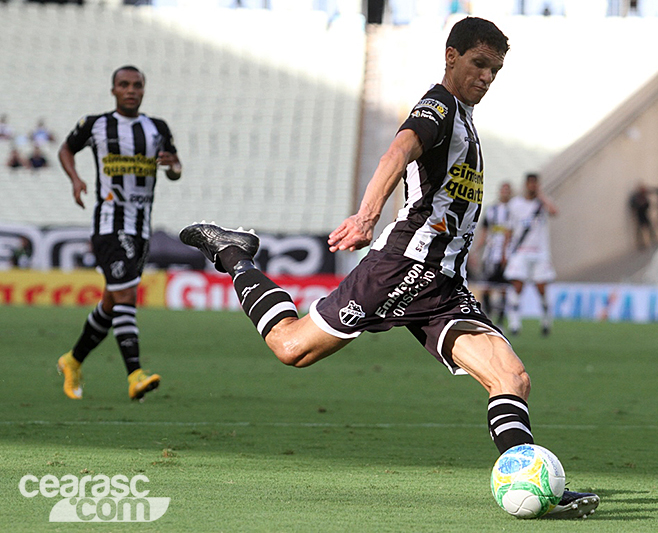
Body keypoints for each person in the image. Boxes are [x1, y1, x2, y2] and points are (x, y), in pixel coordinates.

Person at [180, 17, 598, 519]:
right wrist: (366, 215)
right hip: (404, 266)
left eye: (496, 69)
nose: (487, 76)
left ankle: (535, 488)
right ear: (451, 57)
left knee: (512, 377)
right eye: (479, 64)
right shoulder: (439, 106)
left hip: (444, 282)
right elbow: (398, 151)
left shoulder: (464, 117)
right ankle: (233, 254)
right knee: (291, 348)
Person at [57, 65, 182, 401]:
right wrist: (76, 179)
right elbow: (65, 149)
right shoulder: (96, 124)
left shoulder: (157, 128)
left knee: (112, 303)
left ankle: (72, 360)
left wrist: (173, 166)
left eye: (137, 85)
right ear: (113, 90)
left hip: (141, 228)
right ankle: (135, 375)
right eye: (123, 85)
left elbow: (175, 169)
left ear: (144, 90)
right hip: (110, 224)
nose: (130, 90)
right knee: (126, 296)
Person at [503, 173, 558, 337]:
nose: (532, 186)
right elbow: (509, 229)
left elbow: (555, 212)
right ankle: (514, 324)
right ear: (525, 184)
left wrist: (541, 196)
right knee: (517, 286)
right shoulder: (515, 204)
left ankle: (546, 322)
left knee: (541, 289)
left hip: (540, 253)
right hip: (520, 252)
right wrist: (505, 251)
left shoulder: (542, 203)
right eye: (530, 183)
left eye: (535, 184)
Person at [471, 181, 512, 326]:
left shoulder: (514, 210)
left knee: (503, 289)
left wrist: (506, 253)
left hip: (507, 255)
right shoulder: (491, 210)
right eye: (503, 189)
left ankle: (500, 322)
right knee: (486, 287)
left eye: (508, 190)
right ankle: (488, 318)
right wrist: (475, 252)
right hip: (490, 254)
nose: (505, 192)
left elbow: (511, 233)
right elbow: (484, 233)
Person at [629, 183, 656, 250]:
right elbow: (633, 206)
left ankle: (652, 241)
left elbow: (648, 205)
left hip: (645, 215)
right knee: (640, 231)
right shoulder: (636, 197)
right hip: (639, 215)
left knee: (649, 228)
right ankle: (642, 244)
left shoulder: (644, 197)